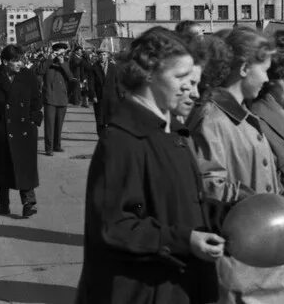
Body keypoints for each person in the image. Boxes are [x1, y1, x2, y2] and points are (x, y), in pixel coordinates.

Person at [76, 27, 225, 304]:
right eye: (181, 78)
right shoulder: (123, 139)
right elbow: (115, 226)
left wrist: (226, 216)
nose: (190, 90)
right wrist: (185, 241)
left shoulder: (169, 134)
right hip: (143, 292)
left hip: (175, 287)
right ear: (149, 73)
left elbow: (181, 205)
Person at [188, 27, 284, 302]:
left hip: (266, 252)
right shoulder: (212, 119)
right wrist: (258, 201)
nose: (266, 78)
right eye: (265, 69)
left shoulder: (244, 116)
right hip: (240, 261)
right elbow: (206, 184)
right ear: (246, 68)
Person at [249, 42, 284, 295]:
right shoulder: (260, 120)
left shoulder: (282, 117)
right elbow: (274, 182)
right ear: (271, 82)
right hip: (280, 228)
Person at [0, 44, 43, 217]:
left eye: (21, 60)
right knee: (2, 169)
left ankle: (29, 202)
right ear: (5, 62)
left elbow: (37, 99)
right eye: (15, 61)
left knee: (25, 167)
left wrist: (34, 119)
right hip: (2, 131)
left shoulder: (28, 75)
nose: (20, 64)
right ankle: (4, 204)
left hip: (25, 130)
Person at [41, 43, 73, 155]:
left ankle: (57, 145)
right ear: (54, 52)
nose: (61, 54)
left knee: (59, 124)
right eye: (59, 52)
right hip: (50, 97)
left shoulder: (66, 63)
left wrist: (62, 63)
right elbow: (41, 72)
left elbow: (70, 77)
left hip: (62, 97)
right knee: (49, 125)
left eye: (63, 52)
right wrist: (49, 60)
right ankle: (49, 148)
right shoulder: (46, 62)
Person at [87, 50, 123, 136]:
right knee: (100, 120)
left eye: (104, 54)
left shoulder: (113, 67)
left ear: (107, 56)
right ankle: (101, 137)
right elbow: (91, 83)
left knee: (112, 119)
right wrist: (93, 95)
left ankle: (111, 137)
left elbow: (118, 83)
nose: (102, 56)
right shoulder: (94, 68)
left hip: (112, 97)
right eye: (100, 55)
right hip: (99, 97)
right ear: (98, 56)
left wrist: (120, 96)